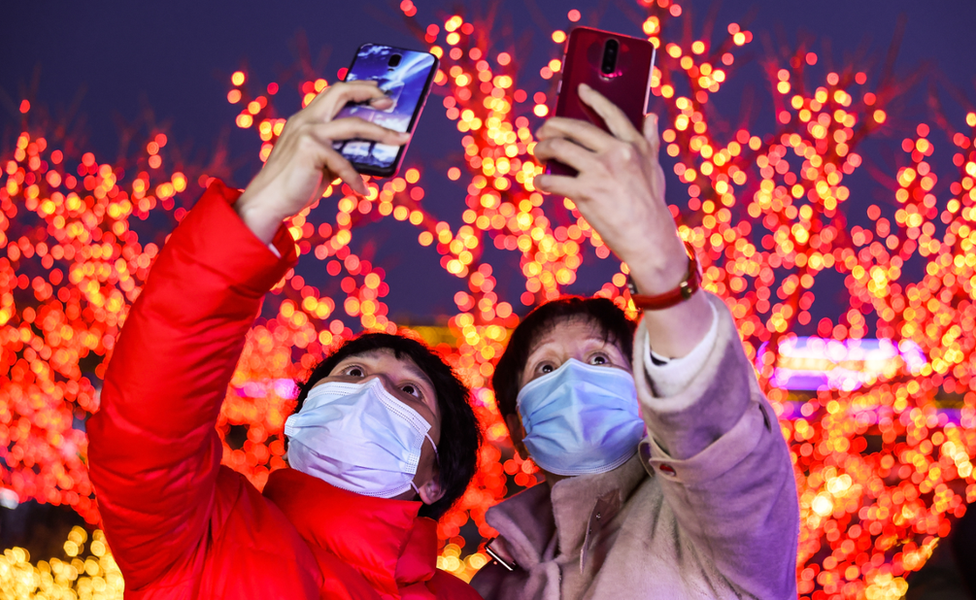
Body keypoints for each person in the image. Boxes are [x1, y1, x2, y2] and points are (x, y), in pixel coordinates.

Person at [87, 81, 483, 599]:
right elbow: (145, 427)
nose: (372, 391)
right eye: (354, 373)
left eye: (409, 391)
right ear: (301, 423)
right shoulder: (200, 535)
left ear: (435, 480)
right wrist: (261, 208)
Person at [469, 83, 800, 599]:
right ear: (516, 425)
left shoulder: (713, 527)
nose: (575, 376)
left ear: (645, 394)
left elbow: (718, 435)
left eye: (599, 358)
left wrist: (657, 258)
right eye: (546, 369)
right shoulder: (496, 581)